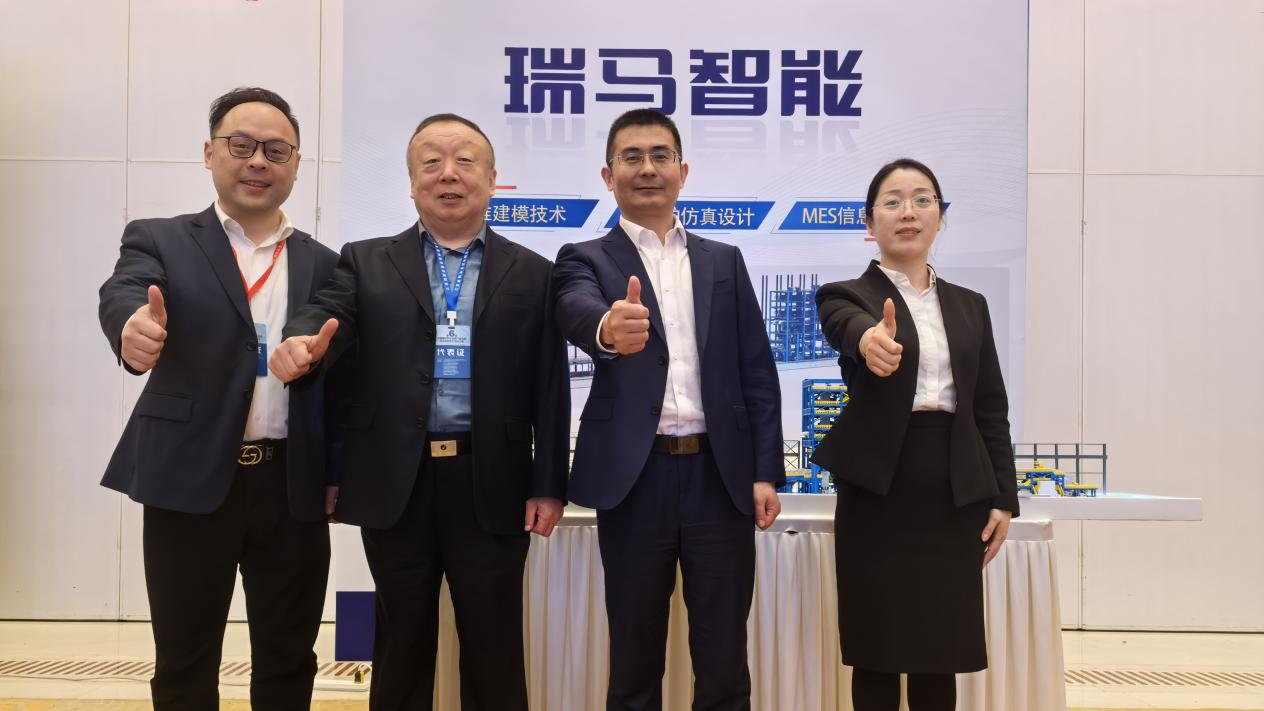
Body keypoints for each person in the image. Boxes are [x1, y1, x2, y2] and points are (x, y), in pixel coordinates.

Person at [269, 113, 569, 711]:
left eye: (465, 161)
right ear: (411, 183)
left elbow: (550, 388)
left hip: (493, 480)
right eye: (431, 163)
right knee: (401, 639)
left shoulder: (534, 272)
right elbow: (327, 318)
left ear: (492, 180)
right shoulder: (365, 261)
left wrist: (548, 484)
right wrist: (300, 340)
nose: (447, 174)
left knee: (494, 641)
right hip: (394, 480)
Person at [98, 87, 342, 711]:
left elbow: (339, 367)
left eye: (276, 150)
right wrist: (131, 328)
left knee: (289, 655)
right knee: (184, 656)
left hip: (290, 485)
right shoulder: (161, 239)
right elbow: (125, 291)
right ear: (210, 153)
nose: (258, 160)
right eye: (241, 145)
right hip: (188, 475)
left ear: (296, 164)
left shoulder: (325, 263)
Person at [553, 108, 783, 711]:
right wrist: (607, 327)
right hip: (636, 479)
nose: (647, 169)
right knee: (633, 656)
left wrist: (764, 470)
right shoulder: (584, 256)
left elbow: (756, 370)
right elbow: (575, 308)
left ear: (683, 171)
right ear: (609, 176)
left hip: (720, 477)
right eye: (631, 157)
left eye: (661, 156)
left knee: (724, 656)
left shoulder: (723, 260)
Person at [811, 158, 1020, 711]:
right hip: (878, 486)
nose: (909, 211)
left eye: (923, 199)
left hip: (953, 487)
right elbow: (847, 327)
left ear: (940, 217)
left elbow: (990, 406)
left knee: (939, 649)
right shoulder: (844, 294)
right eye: (893, 201)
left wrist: (1003, 496)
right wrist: (869, 341)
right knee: (876, 649)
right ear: (869, 222)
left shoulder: (970, 305)